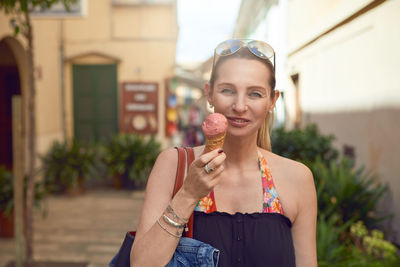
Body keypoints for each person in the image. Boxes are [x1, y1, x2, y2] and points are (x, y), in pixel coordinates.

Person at [130, 39, 317, 267]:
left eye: (255, 94)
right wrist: (188, 194)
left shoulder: (297, 178)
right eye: (228, 90)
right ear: (209, 94)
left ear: (272, 100)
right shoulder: (173, 165)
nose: (239, 106)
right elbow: (141, 263)